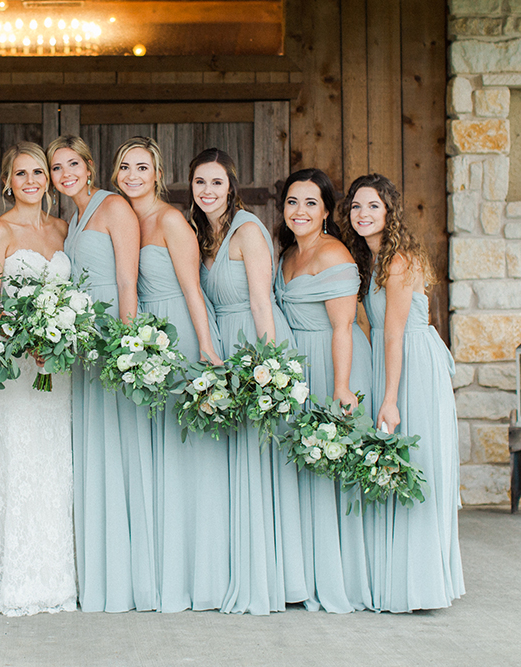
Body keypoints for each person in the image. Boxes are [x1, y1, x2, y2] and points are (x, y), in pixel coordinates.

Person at [112, 137, 228, 612]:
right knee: (150, 451)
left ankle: (192, 573)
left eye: (142, 167)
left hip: (177, 333)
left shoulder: (171, 220)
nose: (133, 175)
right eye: (125, 167)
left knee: (182, 455)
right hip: (142, 338)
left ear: (158, 175)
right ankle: (155, 567)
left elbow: (192, 290)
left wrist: (205, 347)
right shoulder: (120, 217)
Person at [339, 173, 464, 612]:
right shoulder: (368, 260)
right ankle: (395, 574)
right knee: (395, 460)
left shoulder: (397, 260)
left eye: (373, 206)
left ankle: (420, 583)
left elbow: (393, 333)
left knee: (414, 459)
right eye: (356, 206)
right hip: (391, 362)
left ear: (389, 212)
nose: (363, 214)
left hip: (411, 364)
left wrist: (388, 398)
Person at [191, 148, 306, 614]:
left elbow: (262, 303)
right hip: (225, 348)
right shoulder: (204, 232)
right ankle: (239, 564)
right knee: (235, 462)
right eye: (199, 182)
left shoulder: (247, 230)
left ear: (231, 186)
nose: (207, 191)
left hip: (257, 346)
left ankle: (272, 575)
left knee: (261, 462)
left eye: (216, 182)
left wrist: (271, 369)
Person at [47, 135, 156, 612]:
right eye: (56, 167)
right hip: (85, 343)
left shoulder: (113, 207)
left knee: (122, 443)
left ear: (91, 167)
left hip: (113, 338)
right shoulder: (72, 218)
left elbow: (128, 279)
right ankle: (102, 568)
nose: (65, 172)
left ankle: (132, 573)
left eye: (73, 163)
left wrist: (127, 347)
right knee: (97, 445)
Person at [0, 142, 77, 616]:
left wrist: (60, 338)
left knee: (57, 466)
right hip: (17, 370)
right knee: (19, 465)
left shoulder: (64, 229)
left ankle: (60, 579)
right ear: (8, 182)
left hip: (60, 371)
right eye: (22, 173)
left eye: (40, 172)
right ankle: (16, 581)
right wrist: (21, 341)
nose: (33, 181)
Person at [274, 168, 373, 613]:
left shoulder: (334, 255)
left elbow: (343, 328)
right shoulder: (287, 255)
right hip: (301, 366)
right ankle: (307, 571)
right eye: (293, 202)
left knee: (330, 467)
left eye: (311, 203)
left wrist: (342, 389)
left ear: (328, 211)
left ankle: (341, 576)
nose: (300, 211)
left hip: (335, 365)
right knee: (307, 470)